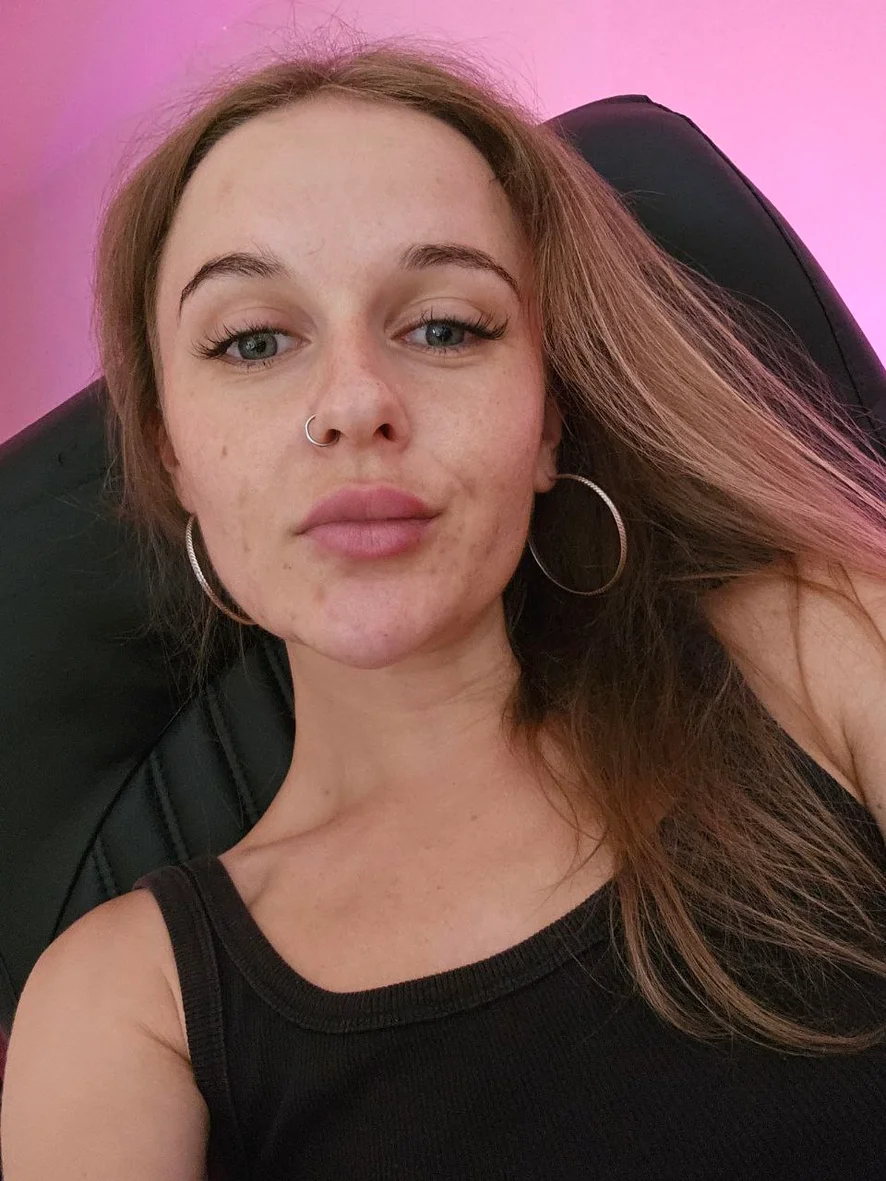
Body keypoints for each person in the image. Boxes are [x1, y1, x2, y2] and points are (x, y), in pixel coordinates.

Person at [3, 40, 886, 1181]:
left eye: (444, 327)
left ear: (547, 419)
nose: (354, 401)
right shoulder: (124, 1003)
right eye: (254, 340)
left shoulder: (823, 647)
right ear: (174, 454)